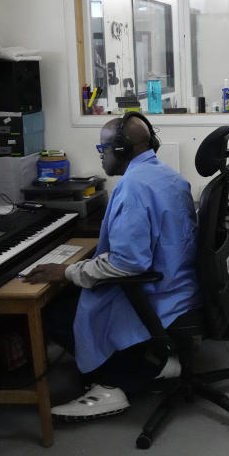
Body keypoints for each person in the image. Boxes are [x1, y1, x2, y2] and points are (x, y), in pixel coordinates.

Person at [23, 114, 200, 419]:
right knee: (79, 296)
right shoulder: (167, 175)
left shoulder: (132, 188)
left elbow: (127, 263)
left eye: (102, 148)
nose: (101, 155)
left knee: (59, 313)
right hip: (180, 283)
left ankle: (114, 386)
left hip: (157, 291)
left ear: (120, 150)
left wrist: (67, 272)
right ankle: (157, 364)